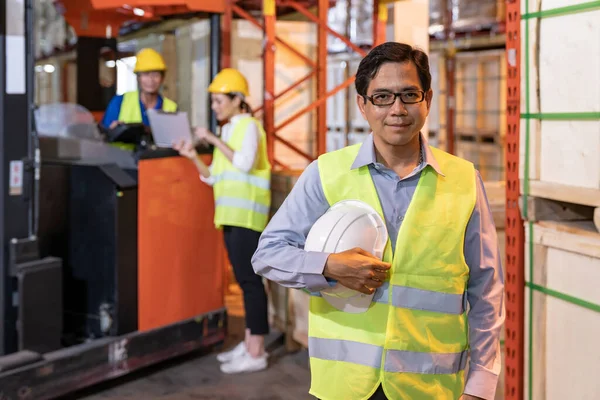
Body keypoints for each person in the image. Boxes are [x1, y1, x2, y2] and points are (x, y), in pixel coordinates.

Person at [252, 42, 504, 400]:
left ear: (427, 100)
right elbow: (268, 254)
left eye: (409, 95)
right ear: (362, 104)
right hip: (347, 385)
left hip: (430, 386)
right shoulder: (326, 174)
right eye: (382, 97)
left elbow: (486, 288)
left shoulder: (463, 179)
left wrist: (480, 385)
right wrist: (328, 266)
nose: (397, 109)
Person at [173, 68, 272, 374]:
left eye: (219, 101)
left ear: (237, 100)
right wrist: (192, 155)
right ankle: (249, 343)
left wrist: (213, 138)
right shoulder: (230, 131)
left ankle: (257, 353)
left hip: (248, 217)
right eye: (214, 102)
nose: (215, 107)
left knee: (251, 284)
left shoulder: (250, 128)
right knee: (244, 283)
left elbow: (243, 165)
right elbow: (213, 177)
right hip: (230, 217)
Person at [101, 48, 178, 150]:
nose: (151, 80)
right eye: (146, 74)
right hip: (123, 162)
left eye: (155, 75)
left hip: (157, 162)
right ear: (138, 77)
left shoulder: (172, 108)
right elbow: (103, 136)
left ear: (162, 78)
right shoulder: (119, 102)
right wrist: (114, 130)